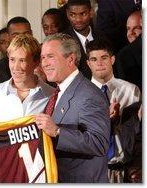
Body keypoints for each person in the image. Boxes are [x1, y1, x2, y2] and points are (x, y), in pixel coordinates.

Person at [0, 34, 54, 182]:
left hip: (39, 177)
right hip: (4, 174)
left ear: (35, 62)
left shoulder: (51, 95)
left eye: (22, 60)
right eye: (12, 59)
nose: (15, 67)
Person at [35, 33, 110, 183]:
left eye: (50, 56)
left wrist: (57, 131)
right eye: (43, 58)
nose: (45, 63)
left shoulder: (89, 94)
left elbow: (99, 143)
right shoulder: (55, 94)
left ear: (70, 59)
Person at [86, 38, 141, 182]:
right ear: (88, 63)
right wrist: (105, 119)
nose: (99, 63)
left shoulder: (131, 90)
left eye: (104, 58)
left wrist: (139, 164)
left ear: (112, 59)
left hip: (125, 170)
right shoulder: (81, 94)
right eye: (94, 59)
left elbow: (139, 133)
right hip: (92, 171)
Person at [0, 16, 33, 103]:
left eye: (26, 34)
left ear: (31, 34)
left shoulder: (44, 63)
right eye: (16, 35)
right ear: (8, 37)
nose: (22, 39)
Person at [64, 0, 95, 79]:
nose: (78, 19)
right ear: (67, 14)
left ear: (91, 12)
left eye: (83, 14)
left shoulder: (104, 37)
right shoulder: (62, 41)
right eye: (72, 15)